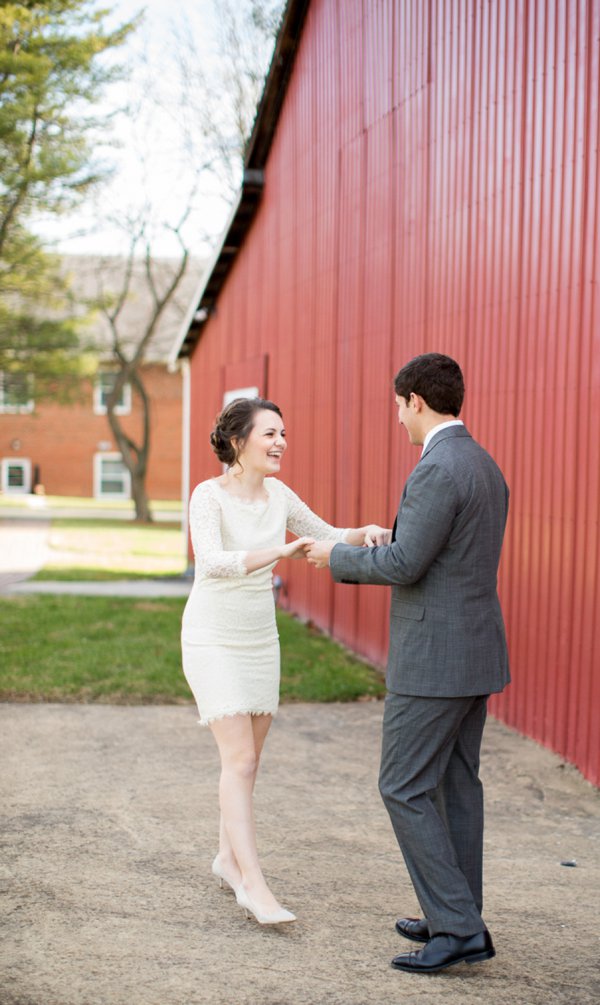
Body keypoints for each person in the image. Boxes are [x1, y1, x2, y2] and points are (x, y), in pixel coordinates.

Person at [306, 353, 510, 973]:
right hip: (474, 653)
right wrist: (386, 542)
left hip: (434, 663)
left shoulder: (436, 469)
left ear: (416, 401)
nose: (397, 419)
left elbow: (406, 567)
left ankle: (457, 928)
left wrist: (335, 555)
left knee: (401, 785)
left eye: (398, 406)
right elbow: (435, 555)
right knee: (455, 788)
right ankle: (457, 912)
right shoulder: (482, 463)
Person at [181, 396, 389, 926]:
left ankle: (227, 859)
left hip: (258, 639)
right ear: (237, 442)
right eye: (269, 434)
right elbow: (212, 562)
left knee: (248, 761)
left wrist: (358, 533)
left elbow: (321, 531)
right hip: (212, 636)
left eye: (283, 434)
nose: (280, 443)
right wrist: (280, 552)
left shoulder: (278, 495)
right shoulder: (208, 496)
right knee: (240, 760)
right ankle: (254, 885)